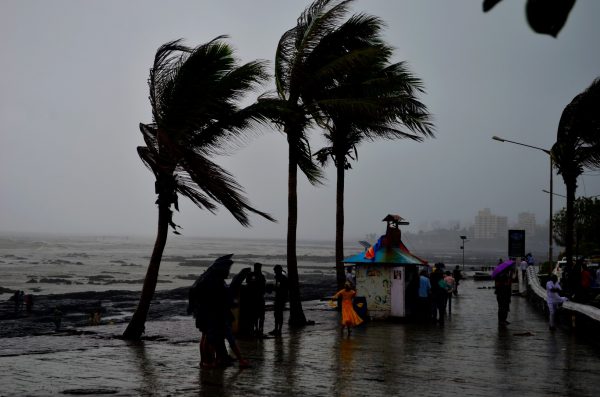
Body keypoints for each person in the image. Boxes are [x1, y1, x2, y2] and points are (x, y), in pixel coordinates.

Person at [246, 262, 266, 337]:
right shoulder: (258, 276)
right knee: (257, 315)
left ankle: (259, 329)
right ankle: (258, 329)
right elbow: (249, 282)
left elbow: (249, 283)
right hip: (256, 298)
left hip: (256, 298)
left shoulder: (256, 275)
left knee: (258, 315)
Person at [268, 265, 288, 336]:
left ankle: (278, 329)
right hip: (280, 298)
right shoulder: (281, 277)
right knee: (278, 314)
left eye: (275, 270)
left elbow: (280, 288)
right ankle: (277, 329)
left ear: (278, 270)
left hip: (280, 298)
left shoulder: (281, 278)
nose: (274, 272)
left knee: (278, 314)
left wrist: (272, 288)